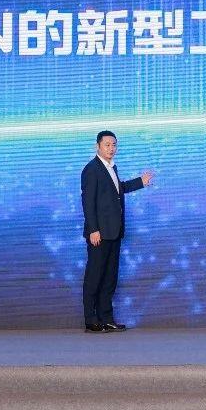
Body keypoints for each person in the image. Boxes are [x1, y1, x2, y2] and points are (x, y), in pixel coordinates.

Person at [80, 130, 153, 333]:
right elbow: (88, 202)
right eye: (107, 145)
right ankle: (91, 320)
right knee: (94, 277)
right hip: (99, 234)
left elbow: (117, 189)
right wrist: (93, 229)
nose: (111, 148)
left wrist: (140, 182)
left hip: (114, 231)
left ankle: (106, 318)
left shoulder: (112, 167)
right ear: (97, 146)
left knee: (110, 278)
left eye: (114, 145)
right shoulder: (91, 169)